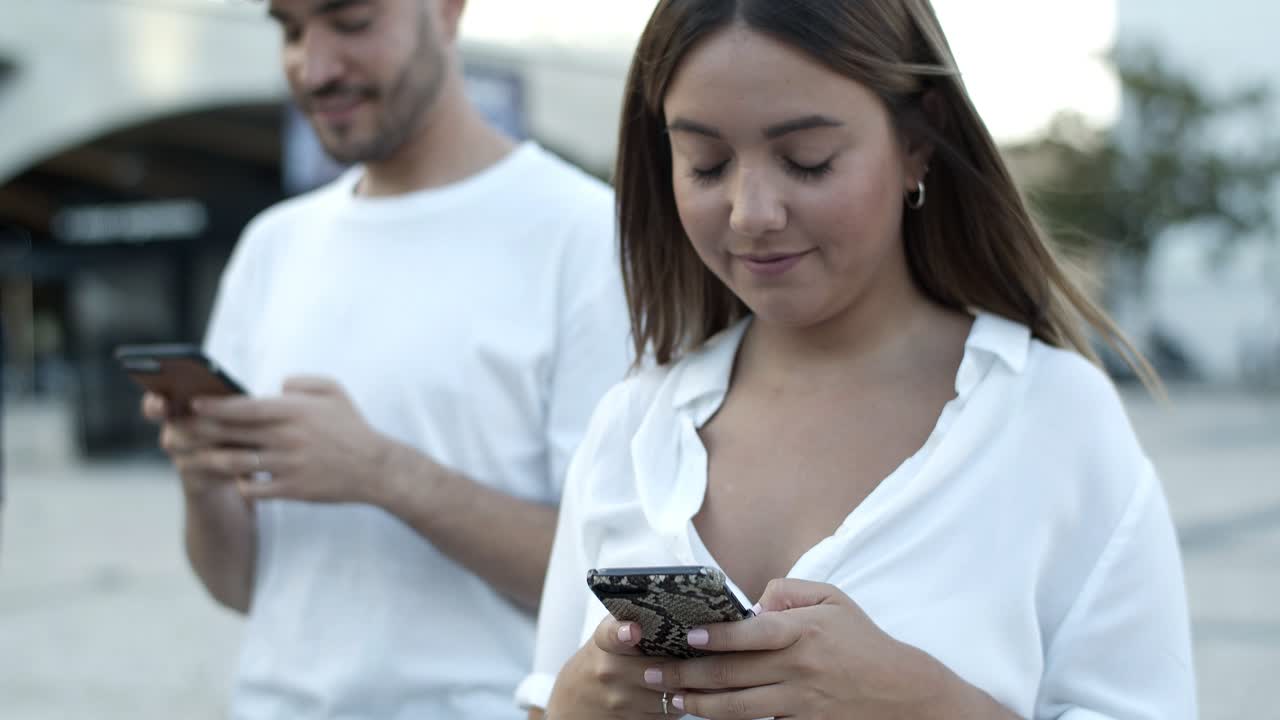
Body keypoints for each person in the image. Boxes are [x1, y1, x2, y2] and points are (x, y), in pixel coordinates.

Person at [519, 1, 1196, 718]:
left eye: (806, 160)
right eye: (707, 163)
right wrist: (571, 703)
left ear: (918, 138)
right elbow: (545, 702)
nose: (752, 211)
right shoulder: (631, 426)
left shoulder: (1052, 417)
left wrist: (924, 704)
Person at [140, 0, 628, 717]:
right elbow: (241, 588)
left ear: (449, 13)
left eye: (351, 21)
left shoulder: (586, 237)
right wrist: (202, 479)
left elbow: (609, 582)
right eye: (290, 29)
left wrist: (381, 472)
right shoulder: (272, 247)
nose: (314, 67)